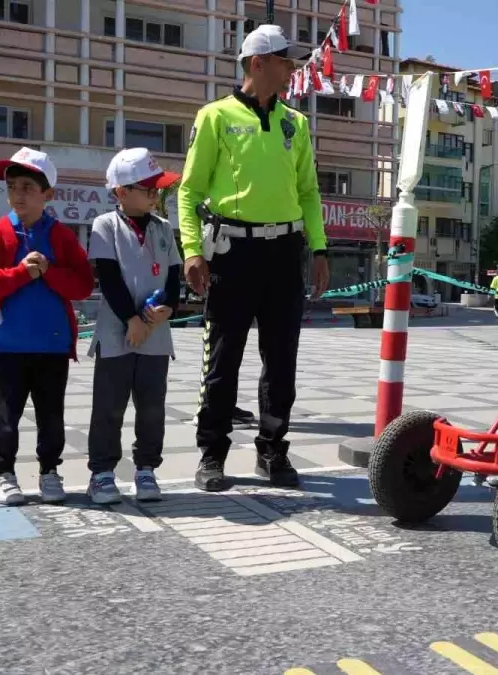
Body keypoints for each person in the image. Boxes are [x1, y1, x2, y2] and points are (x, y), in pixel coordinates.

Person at [177, 24, 330, 492]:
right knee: (223, 359)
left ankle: (273, 452)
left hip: (285, 252)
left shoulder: (295, 123)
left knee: (281, 360)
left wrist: (319, 249)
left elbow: (308, 192)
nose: (292, 69)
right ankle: (211, 455)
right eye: (285, 61)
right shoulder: (216, 116)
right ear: (258, 62)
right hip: (232, 251)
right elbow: (189, 191)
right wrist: (191, 251)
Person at [0, 147, 96, 506]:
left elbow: (83, 286)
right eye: (12, 186)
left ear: (48, 194)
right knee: (5, 416)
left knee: (51, 416)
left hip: (52, 347)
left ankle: (49, 471)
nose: (17, 194)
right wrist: (21, 273)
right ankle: (3, 473)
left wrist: (49, 271)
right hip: (8, 346)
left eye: (27, 186)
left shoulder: (62, 237)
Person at [85, 148, 182, 504]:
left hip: (156, 335)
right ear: (121, 192)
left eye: (159, 189)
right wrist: (132, 320)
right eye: (149, 189)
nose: (156, 196)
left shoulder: (164, 229)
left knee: (152, 407)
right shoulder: (104, 226)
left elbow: (174, 276)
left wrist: (168, 308)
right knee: (109, 406)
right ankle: (102, 473)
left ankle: (146, 469)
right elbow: (108, 278)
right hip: (117, 333)